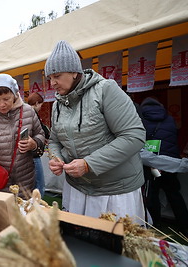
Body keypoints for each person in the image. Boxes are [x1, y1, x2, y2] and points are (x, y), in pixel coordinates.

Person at [45, 40, 146, 223]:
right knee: (80, 243)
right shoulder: (57, 105)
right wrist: (56, 157)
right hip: (77, 187)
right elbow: (54, 140)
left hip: (114, 189)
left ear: (74, 72)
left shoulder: (106, 89)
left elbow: (134, 136)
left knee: (116, 245)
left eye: (57, 76)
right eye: (49, 78)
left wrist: (88, 164)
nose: (52, 83)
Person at [140, 97, 188, 237]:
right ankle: (186, 228)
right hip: (171, 162)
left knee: (152, 195)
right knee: (174, 195)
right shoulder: (169, 119)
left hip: (151, 163)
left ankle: (155, 226)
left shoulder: (140, 119)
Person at [27, 92, 50, 197]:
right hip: (33, 154)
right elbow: (42, 131)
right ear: (36, 103)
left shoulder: (26, 113)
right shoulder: (32, 114)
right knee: (39, 186)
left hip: (29, 154)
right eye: (40, 104)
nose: (41, 107)